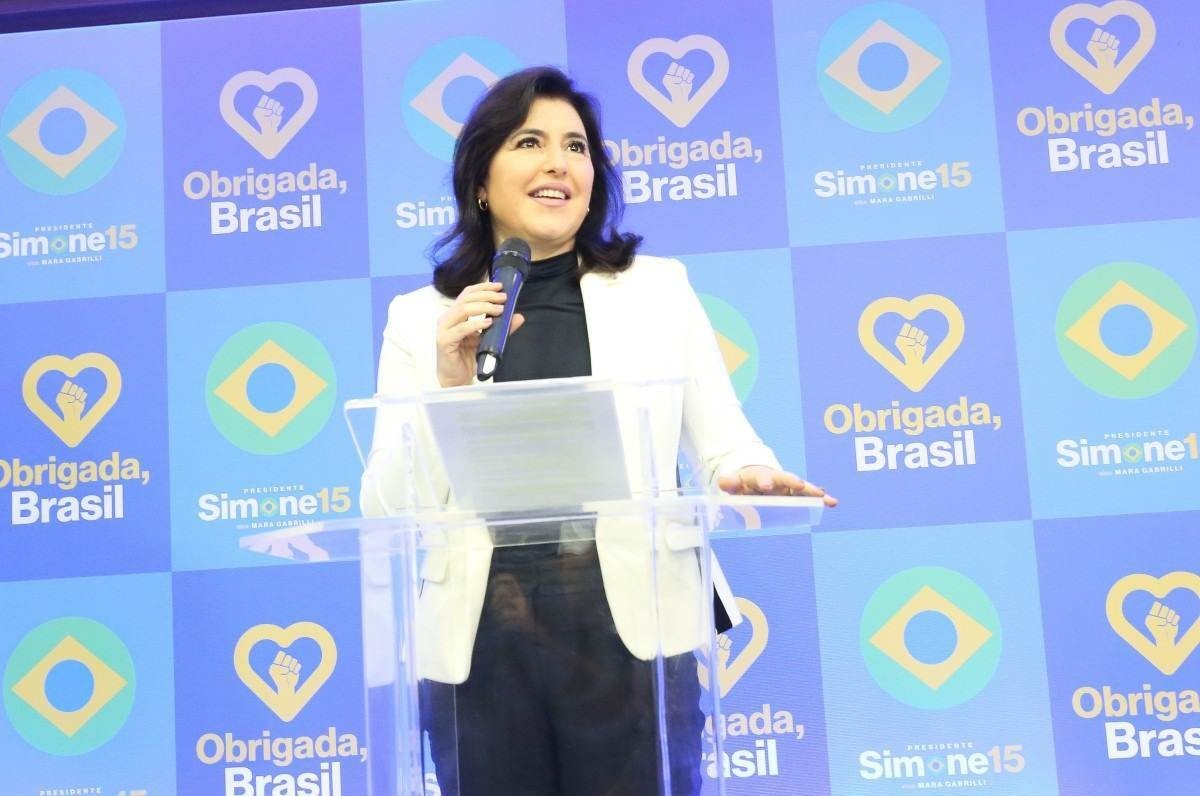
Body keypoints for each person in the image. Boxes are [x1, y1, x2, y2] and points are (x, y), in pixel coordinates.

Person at [360, 66, 835, 795]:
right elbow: (387, 506)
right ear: (481, 180)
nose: (558, 163)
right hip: (480, 644)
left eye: (576, 146)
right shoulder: (423, 318)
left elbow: (725, 442)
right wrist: (447, 387)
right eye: (530, 142)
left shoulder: (657, 290)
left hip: (632, 636)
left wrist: (746, 471)